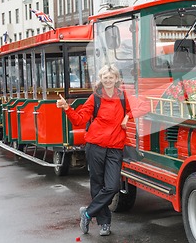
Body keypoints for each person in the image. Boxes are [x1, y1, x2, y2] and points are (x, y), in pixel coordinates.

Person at [57, 64, 143, 236]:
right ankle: (104, 223)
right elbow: (80, 120)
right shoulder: (95, 97)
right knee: (97, 185)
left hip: (115, 147)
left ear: (116, 79)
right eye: (105, 77)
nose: (108, 80)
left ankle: (88, 213)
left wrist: (127, 116)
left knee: (112, 186)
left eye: (111, 77)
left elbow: (144, 106)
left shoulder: (123, 96)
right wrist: (67, 108)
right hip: (95, 146)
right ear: (101, 79)